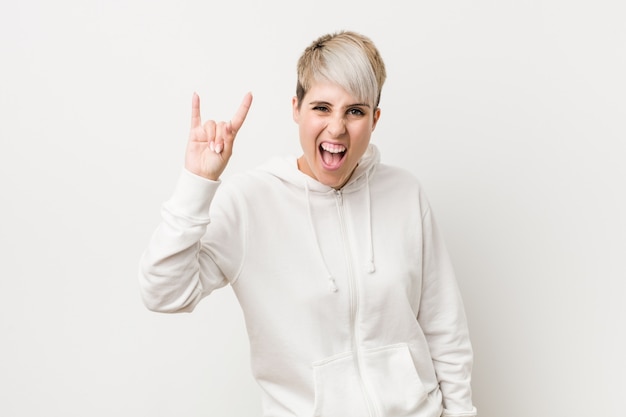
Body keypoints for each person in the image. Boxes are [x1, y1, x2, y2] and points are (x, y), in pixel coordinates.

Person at [139, 30, 477, 417]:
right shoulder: (251, 203)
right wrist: (197, 184)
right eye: (321, 107)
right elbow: (163, 293)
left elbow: (445, 329)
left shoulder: (404, 194)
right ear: (296, 108)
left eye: (355, 111)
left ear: (374, 119)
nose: (336, 128)